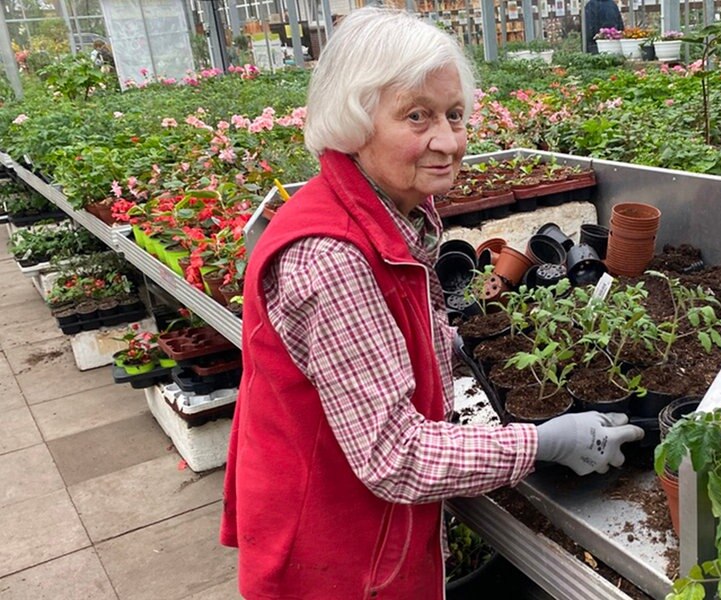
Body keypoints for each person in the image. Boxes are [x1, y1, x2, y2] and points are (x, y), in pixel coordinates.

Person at [219, 8, 643, 599]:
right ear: (355, 119)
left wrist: (460, 343)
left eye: (454, 115)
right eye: (416, 116)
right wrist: (546, 441)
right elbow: (394, 454)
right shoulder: (333, 256)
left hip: (354, 525)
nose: (447, 140)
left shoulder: (391, 209)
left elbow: (394, 327)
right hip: (337, 553)